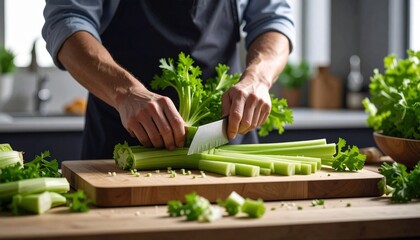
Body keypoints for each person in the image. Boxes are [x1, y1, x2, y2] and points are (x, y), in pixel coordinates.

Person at [42, 0, 295, 159]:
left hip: (225, 139)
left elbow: (274, 20)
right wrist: (126, 92)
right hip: (121, 145)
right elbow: (67, 21)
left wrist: (258, 78)